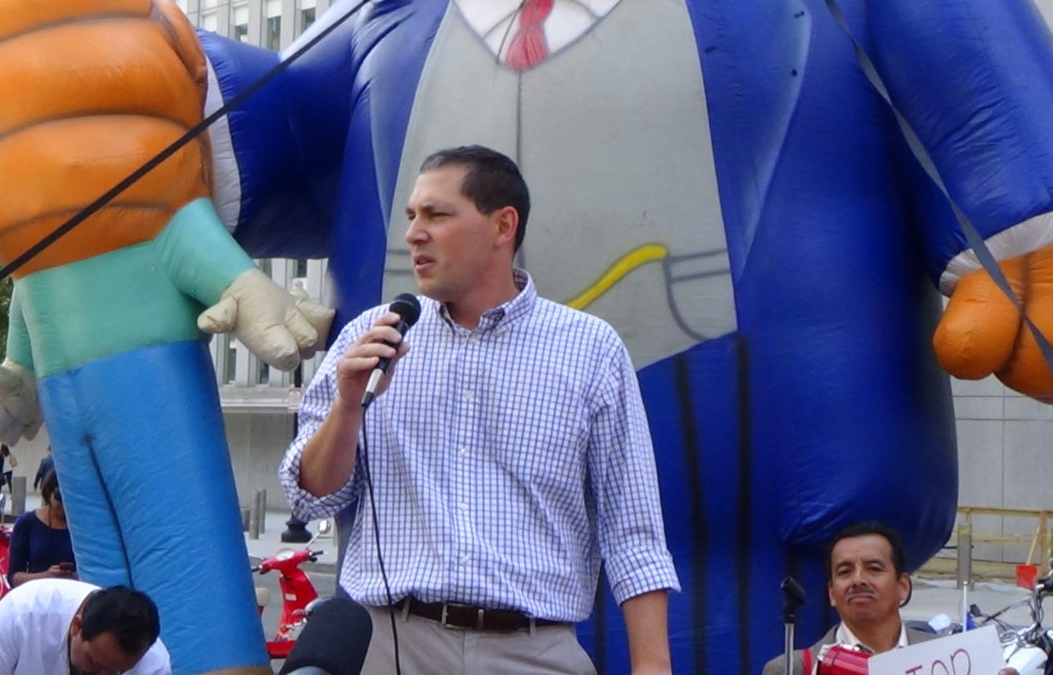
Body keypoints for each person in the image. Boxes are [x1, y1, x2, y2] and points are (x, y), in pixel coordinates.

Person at [281, 146, 677, 674]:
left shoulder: (590, 349)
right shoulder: (370, 338)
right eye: (412, 216)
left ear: (502, 226)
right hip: (393, 645)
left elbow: (633, 531)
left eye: (437, 215)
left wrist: (653, 666)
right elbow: (312, 498)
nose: (414, 233)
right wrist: (348, 405)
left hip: (534, 651)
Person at [762, 522, 1019, 675]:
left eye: (874, 568)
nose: (858, 580)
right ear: (831, 593)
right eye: (845, 571)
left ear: (903, 586)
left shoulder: (954, 663)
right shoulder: (793, 668)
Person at [0, 579, 171, 675]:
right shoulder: (23, 612)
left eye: (117, 672)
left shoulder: (153, 663)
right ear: (77, 626)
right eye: (94, 663)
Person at [8, 469, 75, 587]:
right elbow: (13, 577)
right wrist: (47, 576)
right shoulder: (27, 522)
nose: (66, 503)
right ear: (48, 493)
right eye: (60, 496)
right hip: (39, 596)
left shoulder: (85, 527)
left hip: (77, 598)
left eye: (72, 497)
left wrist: (74, 577)